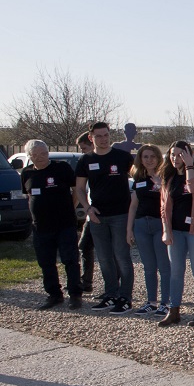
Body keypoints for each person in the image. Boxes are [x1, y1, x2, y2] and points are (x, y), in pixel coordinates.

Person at [75, 121, 135, 314]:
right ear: (91, 138)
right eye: (98, 136)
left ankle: (125, 297)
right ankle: (111, 295)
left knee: (122, 257)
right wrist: (88, 209)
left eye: (106, 135)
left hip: (121, 215)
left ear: (110, 135)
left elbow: (141, 175)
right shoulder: (85, 160)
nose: (103, 139)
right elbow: (79, 189)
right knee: (104, 258)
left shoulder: (123, 157)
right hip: (97, 217)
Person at [20, 140, 84, 310]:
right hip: (41, 227)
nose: (40, 157)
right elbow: (28, 197)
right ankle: (54, 295)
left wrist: (71, 207)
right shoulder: (26, 173)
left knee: (70, 260)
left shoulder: (61, 168)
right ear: (30, 156)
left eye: (43, 153)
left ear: (48, 153)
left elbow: (76, 189)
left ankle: (75, 295)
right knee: (46, 262)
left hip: (64, 224)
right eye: (35, 155)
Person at [157, 141, 194, 328]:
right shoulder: (169, 178)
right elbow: (163, 207)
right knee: (176, 272)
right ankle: (174, 311)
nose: (175, 158)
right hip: (176, 232)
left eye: (180, 154)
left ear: (190, 155)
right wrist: (166, 230)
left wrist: (189, 166)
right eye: (172, 154)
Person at [126, 144, 170, 318]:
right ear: (140, 159)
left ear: (159, 158)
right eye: (145, 157)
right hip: (141, 225)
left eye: (152, 156)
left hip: (160, 225)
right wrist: (129, 230)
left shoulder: (166, 177)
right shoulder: (139, 179)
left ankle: (166, 303)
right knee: (149, 267)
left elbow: (171, 200)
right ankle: (151, 302)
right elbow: (133, 206)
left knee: (164, 266)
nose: (149, 160)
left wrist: (161, 186)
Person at [75, 132, 96, 294]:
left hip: (101, 212)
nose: (82, 152)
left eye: (84, 148)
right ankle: (86, 281)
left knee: (109, 252)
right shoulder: (85, 164)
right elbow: (79, 189)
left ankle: (114, 285)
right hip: (90, 213)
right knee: (84, 246)